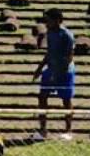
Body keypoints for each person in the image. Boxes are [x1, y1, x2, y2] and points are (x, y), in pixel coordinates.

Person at [32, 8, 75, 140]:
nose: (46, 23)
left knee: (66, 100)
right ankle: (43, 130)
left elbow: (69, 58)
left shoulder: (67, 35)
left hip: (65, 71)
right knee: (42, 97)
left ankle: (68, 131)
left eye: (48, 20)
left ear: (57, 21)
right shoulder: (50, 33)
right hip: (51, 68)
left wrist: (56, 75)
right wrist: (40, 68)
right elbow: (49, 53)